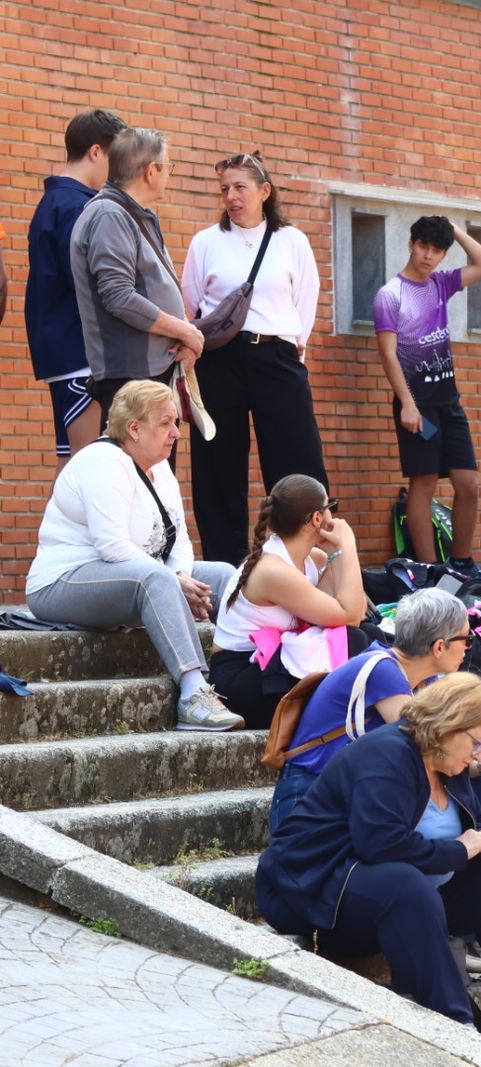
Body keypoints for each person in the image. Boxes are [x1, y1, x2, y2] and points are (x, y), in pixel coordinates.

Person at [254, 673, 481, 1041]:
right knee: (405, 884)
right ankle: (452, 1022)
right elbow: (379, 844)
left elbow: (465, 828)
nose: (480, 754)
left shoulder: (449, 761)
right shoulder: (386, 754)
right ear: (448, 726)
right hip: (313, 889)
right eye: (478, 743)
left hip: (395, 899)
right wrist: (462, 848)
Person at [26, 380, 242, 732]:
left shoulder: (161, 468)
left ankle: (244, 671)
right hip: (60, 583)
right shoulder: (102, 461)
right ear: (134, 428)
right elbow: (112, 546)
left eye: (176, 423)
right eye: (165, 423)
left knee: (223, 575)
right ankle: (193, 694)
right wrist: (172, 582)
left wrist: (181, 577)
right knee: (156, 578)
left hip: (136, 577)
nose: (176, 433)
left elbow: (180, 540)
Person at [182, 153, 328, 565]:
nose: (231, 196)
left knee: (298, 462)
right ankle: (227, 572)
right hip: (219, 360)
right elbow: (192, 304)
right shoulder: (206, 242)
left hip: (277, 356)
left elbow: (306, 302)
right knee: (217, 468)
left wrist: (294, 345)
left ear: (264, 191)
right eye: (224, 189)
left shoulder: (291, 241)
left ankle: (304, 563)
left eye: (240, 187)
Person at [266, 588, 472, 834]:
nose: (467, 648)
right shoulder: (383, 669)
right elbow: (427, 744)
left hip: (340, 793)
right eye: (467, 639)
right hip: (308, 794)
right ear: (439, 647)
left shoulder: (423, 681)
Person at [373, 215, 481, 572]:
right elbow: (388, 354)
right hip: (418, 405)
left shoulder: (441, 284)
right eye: (424, 246)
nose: (428, 255)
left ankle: (461, 562)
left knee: (468, 484)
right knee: (424, 483)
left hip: (449, 403)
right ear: (411, 244)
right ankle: (429, 570)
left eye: (437, 250)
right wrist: (407, 404)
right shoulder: (390, 295)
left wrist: (452, 227)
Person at [209, 474, 370, 727]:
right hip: (241, 679)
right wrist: (347, 545)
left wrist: (336, 553)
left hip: (272, 662)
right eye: (331, 507)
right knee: (355, 640)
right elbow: (350, 616)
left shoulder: (312, 559)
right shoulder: (272, 570)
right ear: (317, 518)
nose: (334, 516)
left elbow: (351, 612)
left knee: (368, 636)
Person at [69, 127, 204, 414]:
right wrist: (183, 329)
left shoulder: (132, 213)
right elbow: (119, 297)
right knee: (133, 446)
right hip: (132, 378)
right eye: (168, 166)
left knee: (157, 446)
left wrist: (184, 336)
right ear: (151, 171)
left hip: (148, 373)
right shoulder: (110, 215)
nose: (169, 174)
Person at [26, 108, 127, 468]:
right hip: (80, 355)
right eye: (116, 158)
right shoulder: (76, 206)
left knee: (74, 466)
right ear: (96, 152)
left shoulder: (59, 202)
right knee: (84, 468)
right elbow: (90, 283)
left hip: (68, 351)